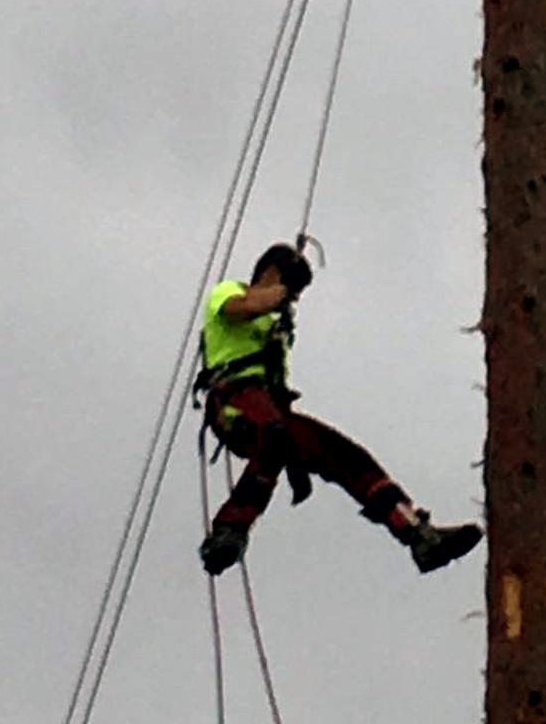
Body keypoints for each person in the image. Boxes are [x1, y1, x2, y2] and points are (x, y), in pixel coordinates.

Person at [193, 242, 484, 576]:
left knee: (347, 457)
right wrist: (283, 289)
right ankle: (230, 529)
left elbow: (276, 395)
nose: (294, 300)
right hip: (234, 403)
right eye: (293, 290)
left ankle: (418, 533)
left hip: (270, 412)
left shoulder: (276, 333)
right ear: (272, 274)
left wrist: (296, 462)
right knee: (275, 435)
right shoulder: (229, 291)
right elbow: (242, 307)